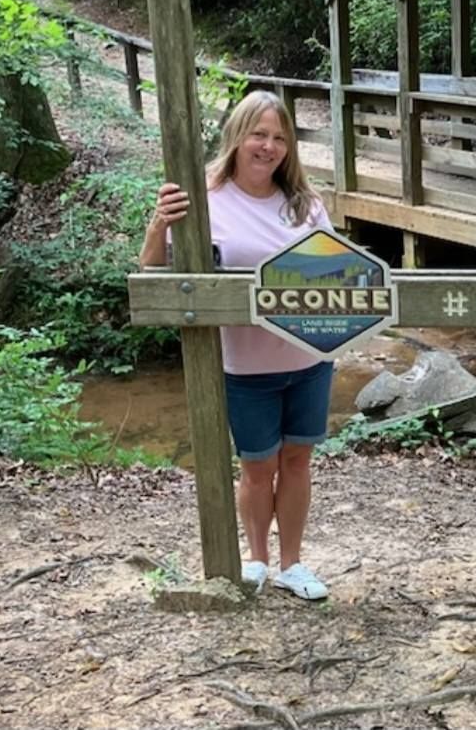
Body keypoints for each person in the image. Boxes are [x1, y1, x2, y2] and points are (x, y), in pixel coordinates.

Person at [139, 90, 335, 601]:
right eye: (259, 134)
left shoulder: (306, 204)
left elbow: (340, 275)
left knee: (297, 462)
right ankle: (258, 562)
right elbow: (153, 274)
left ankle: (292, 564)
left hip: (310, 360)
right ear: (237, 137)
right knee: (257, 466)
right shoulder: (202, 200)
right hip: (244, 365)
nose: (268, 147)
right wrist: (159, 222)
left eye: (279, 138)